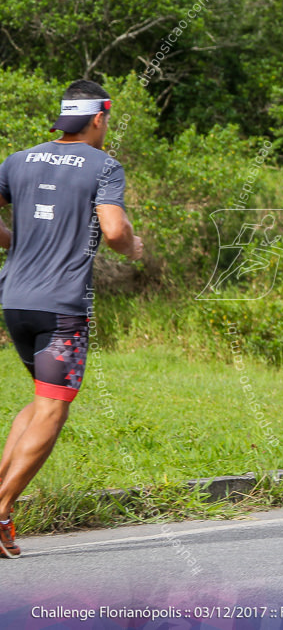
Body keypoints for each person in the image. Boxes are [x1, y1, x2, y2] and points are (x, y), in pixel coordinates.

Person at [0, 79, 143, 558]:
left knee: (41, 402)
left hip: (14, 301)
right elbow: (116, 229)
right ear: (99, 118)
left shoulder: (19, 160)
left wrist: (14, 242)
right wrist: (132, 247)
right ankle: (1, 510)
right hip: (62, 307)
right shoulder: (104, 166)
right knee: (54, 409)